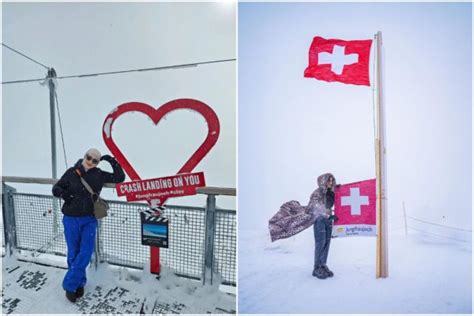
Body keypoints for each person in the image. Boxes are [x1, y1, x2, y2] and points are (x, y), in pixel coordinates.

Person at [52, 148, 125, 302]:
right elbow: (56, 188)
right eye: (89, 157)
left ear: (98, 162)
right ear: (84, 156)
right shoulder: (71, 172)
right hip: (70, 218)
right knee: (73, 252)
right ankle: (80, 283)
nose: (91, 162)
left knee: (85, 252)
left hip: (89, 219)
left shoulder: (99, 174)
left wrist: (111, 160)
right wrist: (65, 194)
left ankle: (69, 284)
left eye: (95, 160)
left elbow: (119, 178)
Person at [308, 173, 339, 279]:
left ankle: (323, 265)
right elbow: (315, 207)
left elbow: (334, 203)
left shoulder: (331, 192)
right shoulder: (317, 193)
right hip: (319, 219)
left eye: (332, 180)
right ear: (323, 181)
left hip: (328, 220)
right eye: (328, 180)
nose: (330, 182)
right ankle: (316, 268)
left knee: (327, 242)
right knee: (320, 243)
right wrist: (326, 215)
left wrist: (340, 189)